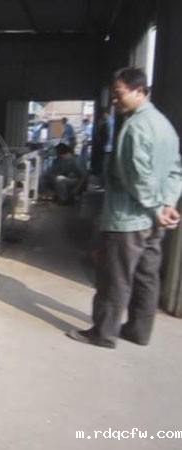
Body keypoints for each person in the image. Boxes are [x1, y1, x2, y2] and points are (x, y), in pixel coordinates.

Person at [67, 67, 182, 348]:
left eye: (119, 94)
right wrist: (166, 205)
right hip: (154, 221)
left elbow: (137, 177)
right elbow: (175, 171)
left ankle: (103, 333)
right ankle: (138, 331)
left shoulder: (135, 127)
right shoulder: (164, 125)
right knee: (147, 277)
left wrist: (156, 207)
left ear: (139, 91)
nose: (115, 101)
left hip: (128, 219)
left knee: (114, 278)